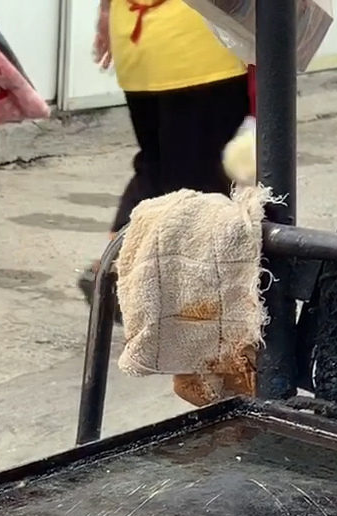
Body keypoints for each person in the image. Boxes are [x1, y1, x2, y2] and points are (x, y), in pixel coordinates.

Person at [79, 0, 251, 300]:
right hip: (199, 48)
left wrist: (106, 14)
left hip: (138, 39)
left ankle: (115, 268)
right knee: (202, 181)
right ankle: (173, 292)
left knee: (156, 166)